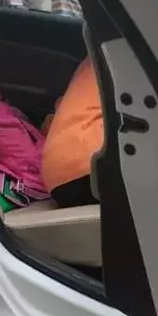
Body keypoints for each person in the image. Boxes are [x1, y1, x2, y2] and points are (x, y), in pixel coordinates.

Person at [41, 56, 103, 208]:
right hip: (97, 166)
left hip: (56, 183)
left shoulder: (90, 61)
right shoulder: (127, 53)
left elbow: (51, 121)